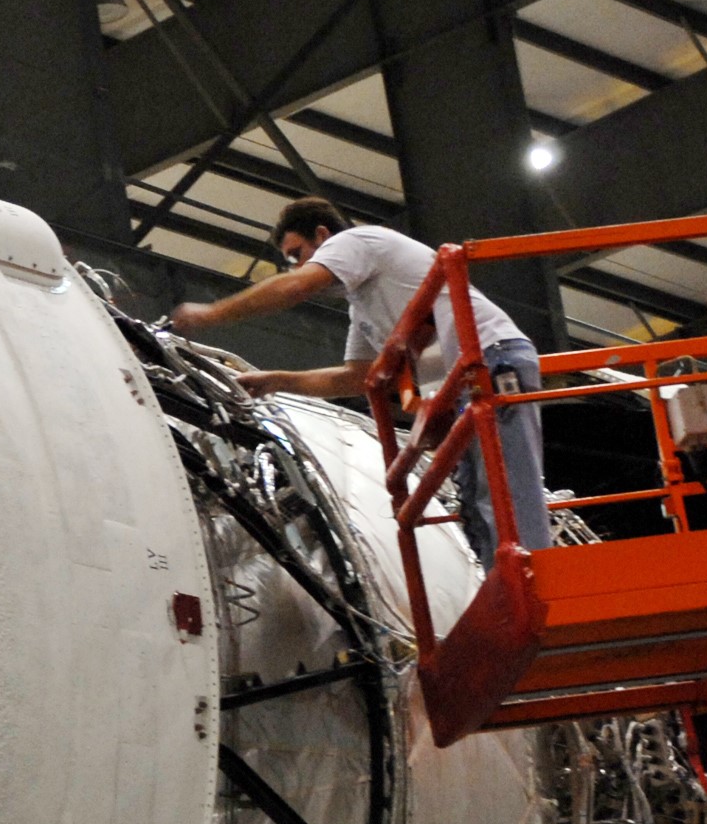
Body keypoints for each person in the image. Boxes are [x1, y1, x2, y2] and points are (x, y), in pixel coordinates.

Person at [170, 198, 551, 568]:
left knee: (506, 483)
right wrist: (275, 381)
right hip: (461, 381)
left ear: (322, 235)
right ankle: (506, 584)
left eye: (296, 253)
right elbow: (358, 377)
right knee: (479, 498)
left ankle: (532, 576)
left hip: (491, 359)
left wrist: (211, 313)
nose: (295, 267)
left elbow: (294, 288)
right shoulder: (363, 302)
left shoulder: (355, 242)